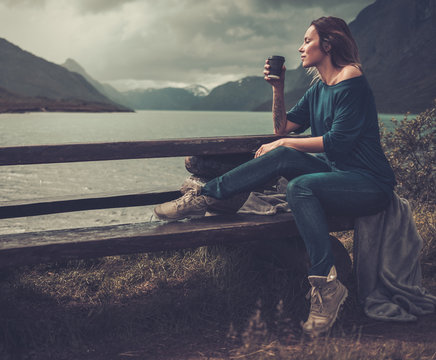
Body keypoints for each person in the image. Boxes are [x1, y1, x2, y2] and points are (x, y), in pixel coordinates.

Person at [153, 16, 396, 336]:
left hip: (368, 182)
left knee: (300, 186)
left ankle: (325, 286)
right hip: (336, 173)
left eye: (307, 40)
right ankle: (205, 197)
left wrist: (282, 142)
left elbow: (338, 140)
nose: (300, 47)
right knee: (282, 155)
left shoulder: (350, 79)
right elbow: (282, 129)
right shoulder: (318, 88)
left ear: (328, 44)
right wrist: (277, 89)